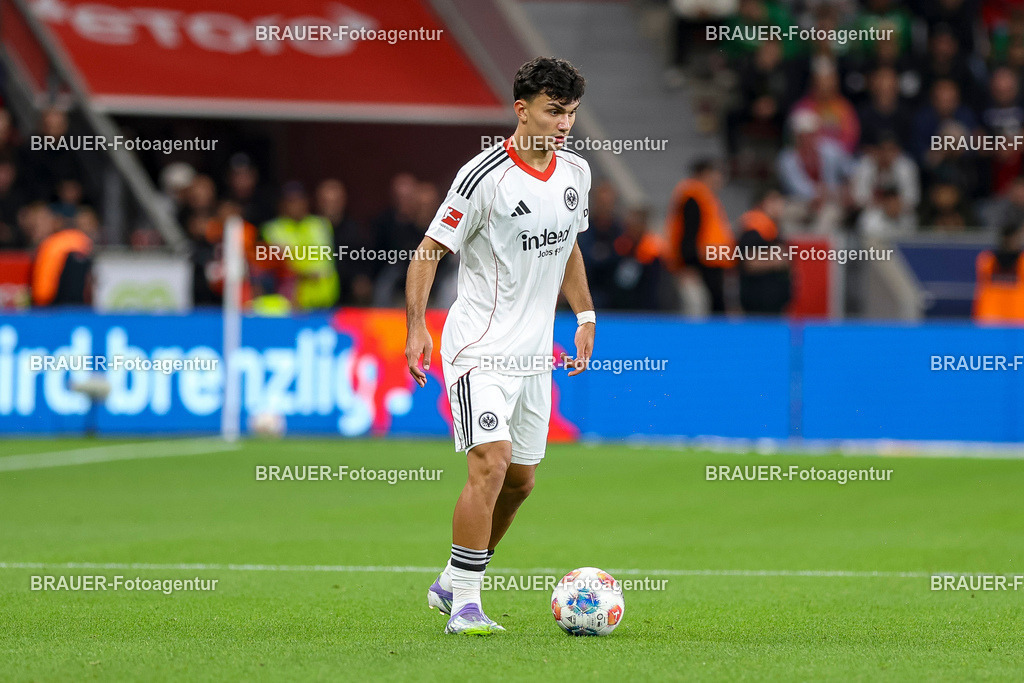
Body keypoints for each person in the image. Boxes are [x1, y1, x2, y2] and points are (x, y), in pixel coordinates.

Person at [404, 57, 594, 636]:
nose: (564, 124)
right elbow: (428, 251)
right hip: (478, 350)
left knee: (520, 482)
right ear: (522, 109)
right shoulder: (481, 177)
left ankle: (449, 580)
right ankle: (465, 605)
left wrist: (584, 314)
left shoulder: (576, 174)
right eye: (554, 111)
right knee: (491, 462)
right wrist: (416, 327)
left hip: (534, 355)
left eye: (571, 113)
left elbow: (568, 247)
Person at [664, 158, 736, 312]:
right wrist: (688, 264)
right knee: (700, 311)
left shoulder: (705, 198)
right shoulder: (693, 198)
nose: (720, 178)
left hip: (709, 264)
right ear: (704, 174)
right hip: (700, 266)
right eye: (716, 173)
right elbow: (688, 233)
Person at [736, 187, 791, 314]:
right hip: (760, 302)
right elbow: (749, 261)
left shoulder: (770, 228)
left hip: (772, 301)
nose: (780, 205)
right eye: (774, 200)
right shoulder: (755, 227)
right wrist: (776, 260)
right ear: (762, 203)